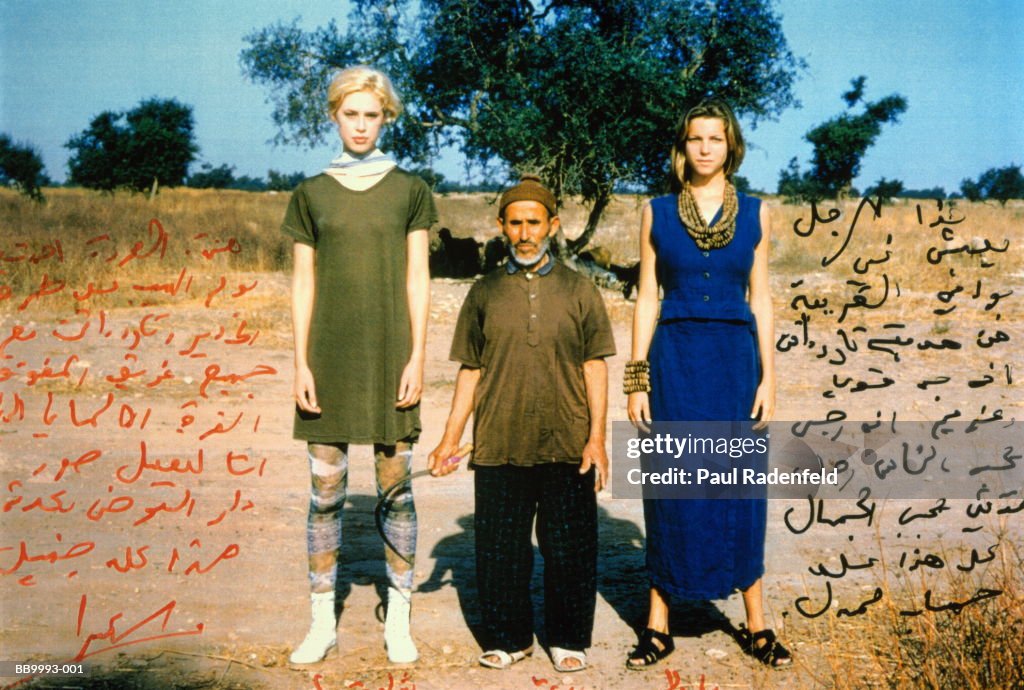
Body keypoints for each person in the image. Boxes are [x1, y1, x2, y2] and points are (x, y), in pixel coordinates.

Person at [624, 99, 793, 669]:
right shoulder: (655, 212)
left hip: (733, 360)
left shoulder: (756, 212)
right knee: (670, 481)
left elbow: (762, 298)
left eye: (715, 139)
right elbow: (646, 296)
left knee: (739, 484)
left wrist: (770, 376)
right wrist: (636, 376)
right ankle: (657, 623)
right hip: (673, 359)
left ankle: (758, 622)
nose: (704, 148)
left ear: (730, 146)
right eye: (695, 138)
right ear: (683, 146)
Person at [428, 175, 616, 673]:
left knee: (569, 549)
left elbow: (595, 367)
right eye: (516, 223)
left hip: (568, 440)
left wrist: (597, 438)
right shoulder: (484, 292)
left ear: (553, 226)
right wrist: (450, 438)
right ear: (501, 227)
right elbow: (470, 369)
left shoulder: (581, 290)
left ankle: (568, 637)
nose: (525, 232)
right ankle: (509, 638)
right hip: (498, 440)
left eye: (535, 222)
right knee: (500, 550)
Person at [281, 65, 436, 665]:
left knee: (396, 493)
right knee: (325, 494)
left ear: (386, 117)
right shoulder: (310, 193)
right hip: (327, 358)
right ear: (334, 116)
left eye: (373, 115)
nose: (362, 125)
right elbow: (302, 282)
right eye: (352, 114)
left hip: (393, 355)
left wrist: (418, 356)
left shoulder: (411, 189)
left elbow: (418, 278)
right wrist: (300, 362)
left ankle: (400, 616)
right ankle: (322, 619)